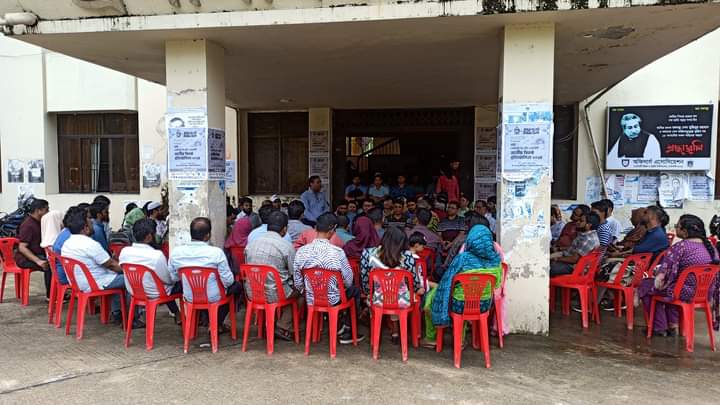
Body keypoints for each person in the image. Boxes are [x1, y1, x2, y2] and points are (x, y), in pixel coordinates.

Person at [421, 224, 501, 348]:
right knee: (463, 297)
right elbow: (496, 284)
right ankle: (460, 340)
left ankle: (431, 338)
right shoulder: (496, 261)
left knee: (431, 298)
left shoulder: (463, 259)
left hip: (460, 304)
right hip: (484, 304)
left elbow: (448, 280)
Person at [638, 214, 719, 336]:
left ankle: (659, 327)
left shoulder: (680, 247)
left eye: (677, 226)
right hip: (705, 293)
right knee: (672, 286)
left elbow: (664, 275)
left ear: (685, 232)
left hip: (683, 292)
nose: (675, 228)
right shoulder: (711, 248)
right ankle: (672, 325)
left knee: (646, 285)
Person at [62, 206, 142, 328]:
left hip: (79, 283)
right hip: (95, 282)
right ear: (85, 228)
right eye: (90, 220)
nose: (93, 222)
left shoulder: (67, 243)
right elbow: (111, 265)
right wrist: (129, 270)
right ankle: (132, 319)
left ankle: (117, 314)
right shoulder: (89, 244)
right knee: (131, 279)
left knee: (118, 278)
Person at [293, 213, 365, 344]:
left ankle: (338, 326)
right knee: (354, 290)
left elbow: (298, 281)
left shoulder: (302, 251)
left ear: (316, 228)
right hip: (334, 299)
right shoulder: (337, 252)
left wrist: (308, 291)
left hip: (311, 297)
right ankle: (347, 329)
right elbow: (348, 281)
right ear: (332, 230)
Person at [169, 218, 241, 333]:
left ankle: (207, 320)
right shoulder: (216, 253)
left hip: (190, 296)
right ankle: (216, 323)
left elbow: (173, 278)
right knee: (237, 287)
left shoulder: (176, 253)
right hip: (214, 296)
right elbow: (228, 281)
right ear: (207, 235)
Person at [244, 211, 302, 341]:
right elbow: (294, 273)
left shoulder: (250, 245)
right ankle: (283, 326)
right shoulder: (286, 246)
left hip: (252, 293)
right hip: (276, 294)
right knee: (302, 290)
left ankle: (267, 324)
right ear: (285, 229)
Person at [360, 226, 423, 344]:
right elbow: (413, 281)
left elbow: (364, 278)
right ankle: (397, 331)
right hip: (402, 300)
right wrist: (417, 289)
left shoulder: (367, 253)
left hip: (377, 299)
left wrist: (369, 293)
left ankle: (375, 330)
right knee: (404, 294)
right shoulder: (407, 256)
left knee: (375, 299)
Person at [119, 219, 182, 323]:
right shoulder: (156, 255)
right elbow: (168, 280)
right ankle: (190, 317)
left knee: (163, 284)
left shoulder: (125, 251)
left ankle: (177, 314)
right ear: (149, 237)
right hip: (156, 292)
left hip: (135, 291)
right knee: (179, 283)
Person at [15, 199, 50, 299]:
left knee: (56, 262)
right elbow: (22, 247)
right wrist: (38, 261)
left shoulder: (39, 222)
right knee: (51, 266)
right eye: (46, 210)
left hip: (37, 253)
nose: (48, 212)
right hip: (25, 258)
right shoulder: (28, 225)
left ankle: (57, 292)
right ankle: (51, 296)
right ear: (38, 210)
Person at [549, 212, 601, 277]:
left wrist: (557, 259)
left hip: (574, 267)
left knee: (548, 268)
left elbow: (574, 259)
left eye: (581, 221)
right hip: (568, 257)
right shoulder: (585, 234)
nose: (577, 222)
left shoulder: (587, 239)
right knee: (545, 260)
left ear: (588, 225)